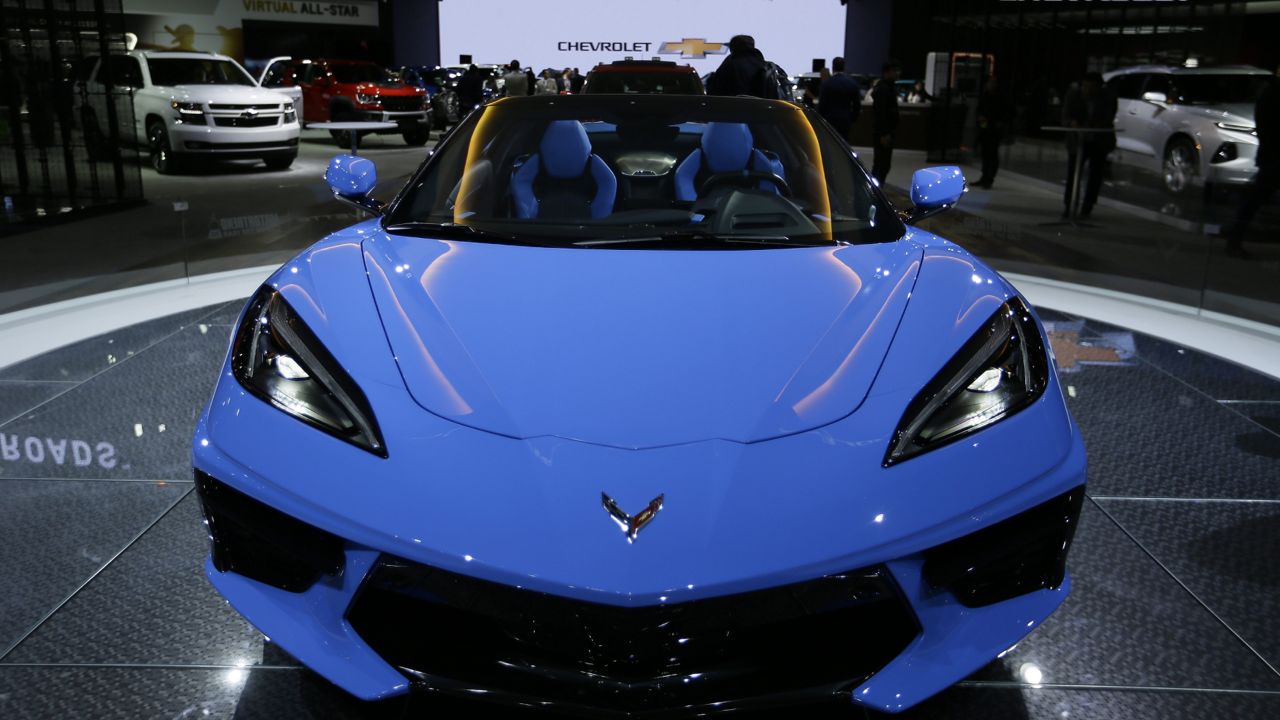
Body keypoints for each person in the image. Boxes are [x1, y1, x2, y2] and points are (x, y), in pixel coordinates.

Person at [1223, 67, 1279, 258]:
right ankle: (1234, 237)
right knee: (1255, 199)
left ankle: (1234, 235)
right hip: (1274, 158)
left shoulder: (1270, 94)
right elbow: (1267, 127)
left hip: (1272, 157)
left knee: (1254, 199)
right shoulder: (1273, 95)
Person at [1060, 71, 1117, 218]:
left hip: (1098, 141)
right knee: (1073, 173)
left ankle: (1087, 206)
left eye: (1092, 87)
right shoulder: (1073, 95)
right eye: (1085, 86)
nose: (1088, 90)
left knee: (1095, 175)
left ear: (1099, 87)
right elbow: (1065, 116)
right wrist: (1072, 123)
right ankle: (1069, 205)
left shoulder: (1108, 98)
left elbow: (1108, 119)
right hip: (1077, 140)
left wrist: (1093, 126)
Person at [974, 77, 1008, 188]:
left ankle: (989, 179)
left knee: (992, 154)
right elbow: (979, 110)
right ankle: (984, 177)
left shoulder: (1000, 98)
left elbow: (1006, 112)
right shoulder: (986, 96)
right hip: (985, 128)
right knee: (985, 154)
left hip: (994, 130)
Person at [871, 60, 901, 184]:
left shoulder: (886, 87)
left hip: (885, 132)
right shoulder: (883, 89)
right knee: (881, 164)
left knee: (882, 163)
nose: (897, 74)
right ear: (887, 72)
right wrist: (884, 133)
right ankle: (875, 190)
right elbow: (882, 113)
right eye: (894, 71)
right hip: (883, 133)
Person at [818, 57, 861, 143]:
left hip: (829, 122)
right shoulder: (852, 83)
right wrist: (851, 119)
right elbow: (857, 106)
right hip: (845, 121)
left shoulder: (826, 84)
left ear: (833, 67)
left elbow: (822, 106)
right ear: (843, 67)